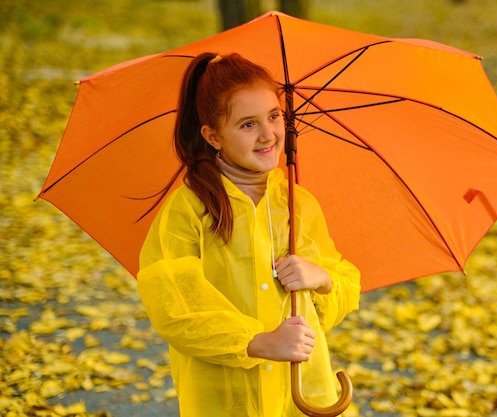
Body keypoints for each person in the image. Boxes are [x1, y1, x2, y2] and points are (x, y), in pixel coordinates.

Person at [136, 52, 361, 417]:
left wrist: (320, 278)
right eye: (247, 124)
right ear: (212, 136)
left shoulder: (296, 204)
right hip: (226, 395)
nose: (268, 134)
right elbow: (175, 307)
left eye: (274, 116)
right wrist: (258, 342)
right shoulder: (189, 209)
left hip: (301, 387)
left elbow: (342, 287)